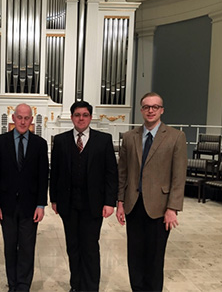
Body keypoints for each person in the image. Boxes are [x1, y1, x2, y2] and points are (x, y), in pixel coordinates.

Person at [116, 92, 187, 291]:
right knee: (135, 257)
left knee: (155, 260)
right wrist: (120, 202)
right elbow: (122, 172)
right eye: (146, 106)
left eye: (155, 107)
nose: (150, 110)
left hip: (160, 207)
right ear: (141, 110)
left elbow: (178, 176)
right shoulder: (130, 137)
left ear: (161, 110)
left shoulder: (176, 137)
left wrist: (172, 207)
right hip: (133, 205)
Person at [49, 100, 118, 292]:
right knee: (73, 247)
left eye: (85, 115)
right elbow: (54, 172)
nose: (81, 118)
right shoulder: (61, 140)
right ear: (71, 117)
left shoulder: (103, 140)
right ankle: (76, 285)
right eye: (77, 115)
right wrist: (53, 198)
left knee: (89, 247)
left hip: (93, 204)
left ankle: (90, 287)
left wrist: (109, 202)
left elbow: (111, 173)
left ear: (90, 117)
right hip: (68, 204)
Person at [0, 103, 49, 292]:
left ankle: (23, 286)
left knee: (27, 248)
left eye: (27, 118)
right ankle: (12, 284)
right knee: (9, 248)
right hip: (6, 205)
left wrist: (41, 204)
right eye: (20, 117)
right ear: (13, 118)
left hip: (30, 206)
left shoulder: (40, 144)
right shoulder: (0, 142)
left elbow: (42, 177)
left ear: (31, 120)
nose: (23, 121)